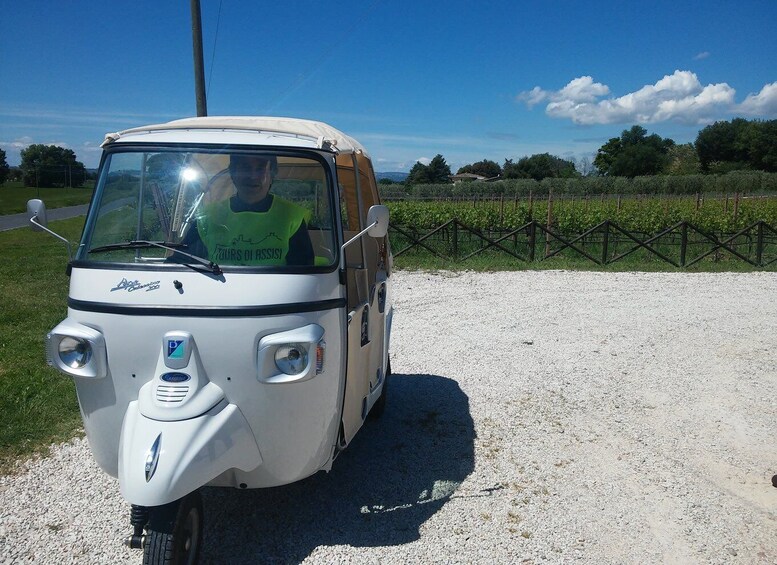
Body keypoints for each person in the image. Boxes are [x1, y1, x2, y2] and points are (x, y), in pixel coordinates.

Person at [183, 154, 314, 266]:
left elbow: (304, 273)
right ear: (233, 173)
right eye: (245, 168)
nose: (252, 176)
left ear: (272, 173)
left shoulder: (291, 216)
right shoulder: (208, 217)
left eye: (260, 168)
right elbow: (182, 263)